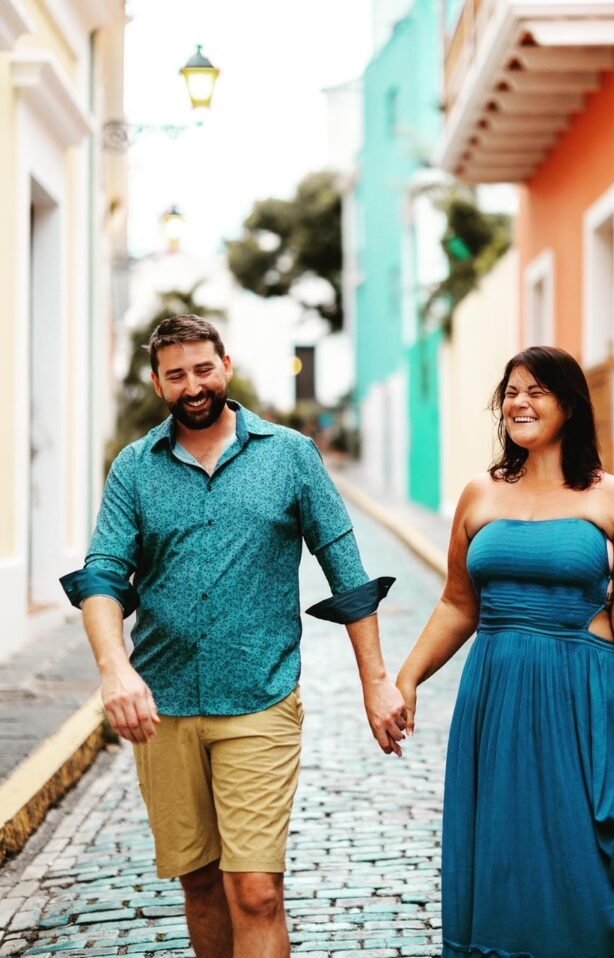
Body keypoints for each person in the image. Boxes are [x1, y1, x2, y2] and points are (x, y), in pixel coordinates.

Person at [60, 314, 407, 958]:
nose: (192, 385)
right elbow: (104, 574)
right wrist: (114, 669)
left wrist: (377, 683)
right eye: (175, 375)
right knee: (199, 885)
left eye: (202, 368)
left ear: (225, 364)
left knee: (254, 891)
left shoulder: (290, 456)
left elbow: (348, 574)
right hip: (164, 707)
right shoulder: (134, 469)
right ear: (157, 382)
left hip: (260, 698)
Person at [396, 346, 614, 958]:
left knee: (600, 846)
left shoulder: (612, 497)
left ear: (571, 406)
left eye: (537, 391)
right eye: (512, 393)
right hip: (496, 695)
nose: (520, 403)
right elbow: (456, 604)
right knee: (507, 847)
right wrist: (408, 678)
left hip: (586, 695)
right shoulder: (479, 494)